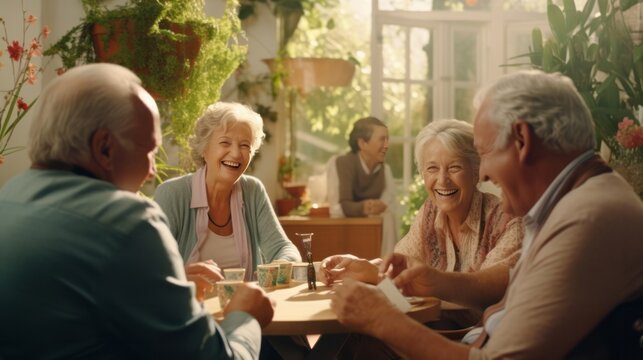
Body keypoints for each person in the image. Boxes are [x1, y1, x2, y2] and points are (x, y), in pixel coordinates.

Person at [329, 70, 643, 358]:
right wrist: (433, 281)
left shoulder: (586, 218)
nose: (483, 175)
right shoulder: (578, 202)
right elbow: (508, 282)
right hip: (473, 339)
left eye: (483, 154)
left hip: (473, 345)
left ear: (522, 140)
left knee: (353, 345)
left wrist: (380, 320)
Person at [0, 63, 274, 359]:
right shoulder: (128, 221)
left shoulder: (8, 199)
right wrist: (245, 315)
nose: (151, 171)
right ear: (104, 147)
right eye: (149, 151)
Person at [154, 102, 301, 296]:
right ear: (204, 149)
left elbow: (283, 248)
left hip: (243, 310)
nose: (236, 153)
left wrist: (278, 267)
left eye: (244, 145)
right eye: (225, 143)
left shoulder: (252, 191)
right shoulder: (172, 194)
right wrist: (180, 277)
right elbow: (149, 271)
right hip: (189, 314)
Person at [326, 116, 399, 255]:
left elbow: (389, 205)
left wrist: (380, 206)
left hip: (374, 235)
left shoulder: (385, 170)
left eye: (387, 139)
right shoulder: (339, 164)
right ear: (362, 143)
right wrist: (363, 208)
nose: (387, 145)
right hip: (344, 235)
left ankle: (389, 268)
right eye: (382, 139)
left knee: (389, 216)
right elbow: (336, 210)